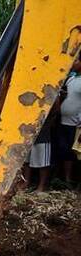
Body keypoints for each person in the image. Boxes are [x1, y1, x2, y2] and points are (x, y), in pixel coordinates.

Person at [58, 55, 81, 185]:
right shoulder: (70, 79)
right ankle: (66, 179)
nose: (74, 62)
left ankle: (75, 180)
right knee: (65, 150)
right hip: (63, 121)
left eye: (76, 60)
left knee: (76, 153)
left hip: (77, 124)